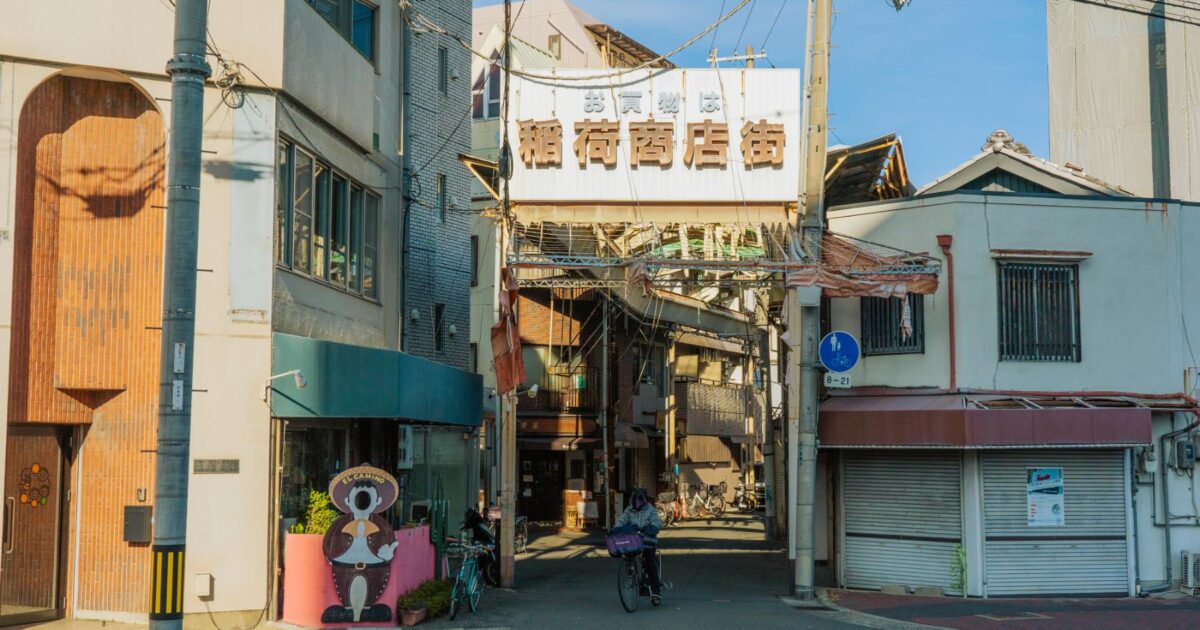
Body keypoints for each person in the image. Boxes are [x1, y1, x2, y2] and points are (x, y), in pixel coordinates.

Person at [613, 487, 662, 603]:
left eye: (640, 498)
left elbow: (656, 523)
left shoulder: (650, 509)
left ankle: (656, 591)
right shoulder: (629, 510)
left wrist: (650, 528)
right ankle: (632, 574)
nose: (637, 501)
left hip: (648, 540)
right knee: (628, 554)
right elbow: (621, 521)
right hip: (633, 540)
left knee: (649, 563)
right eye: (635, 498)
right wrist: (615, 529)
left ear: (645, 499)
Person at [461, 508, 498, 585]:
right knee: (479, 551)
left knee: (480, 552)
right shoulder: (478, 522)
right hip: (481, 541)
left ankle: (480, 569)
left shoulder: (478, 523)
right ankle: (479, 569)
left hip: (482, 540)